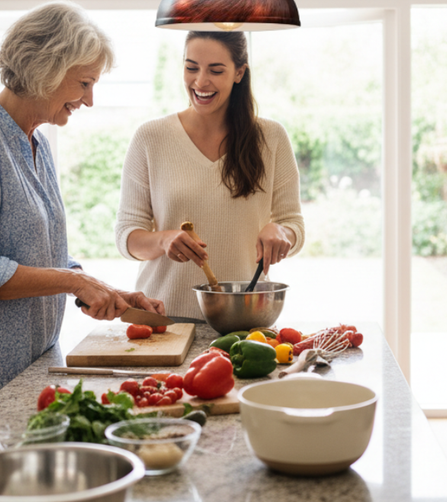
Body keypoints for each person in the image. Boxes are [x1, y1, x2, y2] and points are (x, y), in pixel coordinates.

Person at [0, 1, 164, 436]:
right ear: (46, 69)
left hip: (31, 362)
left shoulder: (36, 143)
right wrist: (74, 282)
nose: (90, 100)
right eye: (85, 83)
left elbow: (46, 257)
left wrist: (107, 291)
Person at [115, 30, 305, 319]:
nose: (200, 82)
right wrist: (164, 240)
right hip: (164, 318)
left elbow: (294, 226)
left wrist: (281, 232)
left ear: (239, 72)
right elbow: (127, 237)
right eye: (191, 67)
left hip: (244, 317)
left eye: (216, 70)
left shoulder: (271, 137)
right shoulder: (150, 137)